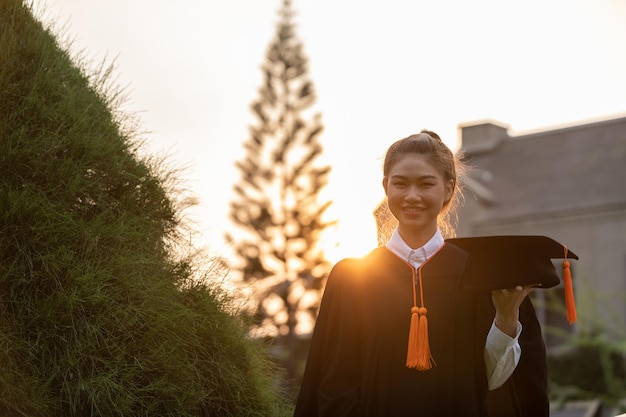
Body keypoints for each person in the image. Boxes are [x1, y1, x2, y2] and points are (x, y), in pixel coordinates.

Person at [293, 130, 549, 416]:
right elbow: (335, 382)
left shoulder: (479, 276)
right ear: (386, 187)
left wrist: (506, 318)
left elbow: (494, 383)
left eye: (426, 184)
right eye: (400, 184)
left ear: (449, 189)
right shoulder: (354, 279)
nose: (412, 196)